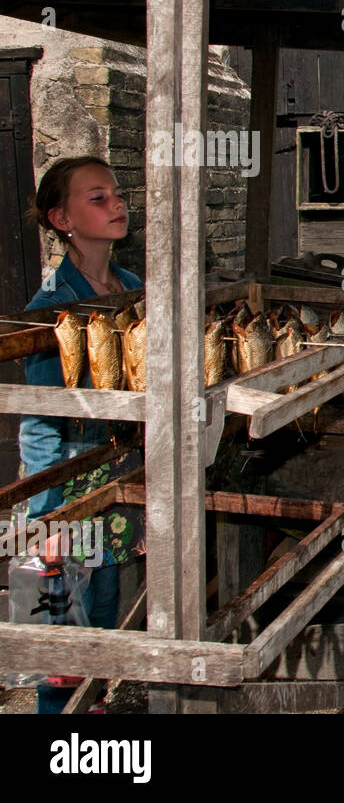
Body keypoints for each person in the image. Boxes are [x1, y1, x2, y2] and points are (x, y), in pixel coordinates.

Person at [18, 156, 145, 713]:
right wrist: (46, 519)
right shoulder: (51, 310)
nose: (117, 204)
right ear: (61, 217)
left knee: (103, 617)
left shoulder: (131, 287)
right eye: (98, 197)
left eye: (116, 194)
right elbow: (41, 420)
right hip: (70, 483)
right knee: (62, 642)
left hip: (115, 473)